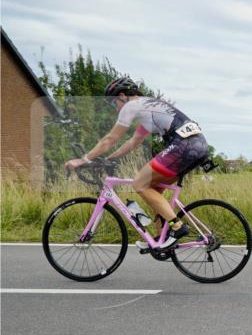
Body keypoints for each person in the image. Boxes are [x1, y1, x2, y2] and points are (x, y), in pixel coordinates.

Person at [64, 77, 209, 249]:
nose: (115, 108)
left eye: (113, 103)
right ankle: (161, 239)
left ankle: (177, 226)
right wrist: (109, 159)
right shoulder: (148, 107)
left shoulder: (132, 105)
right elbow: (133, 142)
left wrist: (83, 159)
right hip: (197, 145)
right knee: (153, 189)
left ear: (122, 96)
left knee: (139, 183)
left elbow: (110, 139)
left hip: (183, 145)